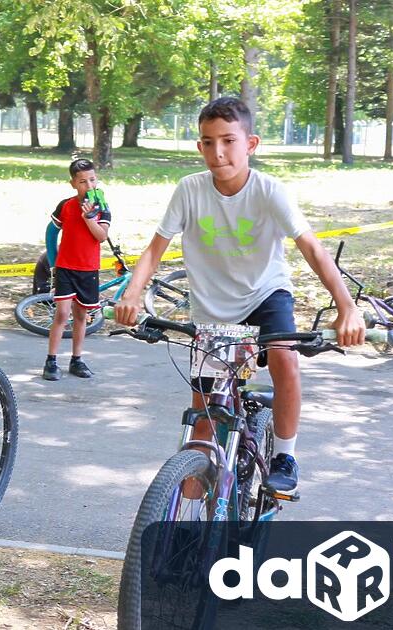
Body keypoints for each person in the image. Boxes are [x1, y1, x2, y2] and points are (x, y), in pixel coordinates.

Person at [113, 97, 365, 492]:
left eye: (229, 140)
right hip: (212, 310)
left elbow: (313, 249)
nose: (218, 152)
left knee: (284, 360)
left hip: (265, 294)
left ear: (251, 144)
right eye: (208, 142)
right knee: (201, 428)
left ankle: (285, 454)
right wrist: (132, 293)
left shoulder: (269, 191)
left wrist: (347, 308)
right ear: (199, 146)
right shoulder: (189, 190)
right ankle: (192, 506)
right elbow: (154, 250)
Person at [43, 158, 112, 381]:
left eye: (92, 180)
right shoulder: (65, 206)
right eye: (82, 181)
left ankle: (77, 359)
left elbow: (101, 236)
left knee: (81, 315)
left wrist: (90, 218)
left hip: (88, 269)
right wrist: (54, 263)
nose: (89, 185)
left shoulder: (102, 207)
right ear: (73, 183)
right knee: (62, 313)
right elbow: (51, 233)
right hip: (65, 268)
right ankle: (51, 360)